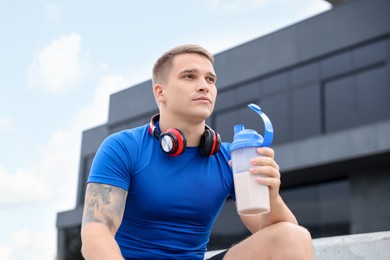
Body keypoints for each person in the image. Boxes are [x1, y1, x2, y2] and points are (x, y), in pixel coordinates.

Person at [81, 44, 314, 260]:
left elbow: (282, 237)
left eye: (210, 79)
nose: (204, 85)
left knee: (294, 237)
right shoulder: (123, 147)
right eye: (189, 76)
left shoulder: (232, 157)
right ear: (160, 92)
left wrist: (270, 196)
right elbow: (96, 231)